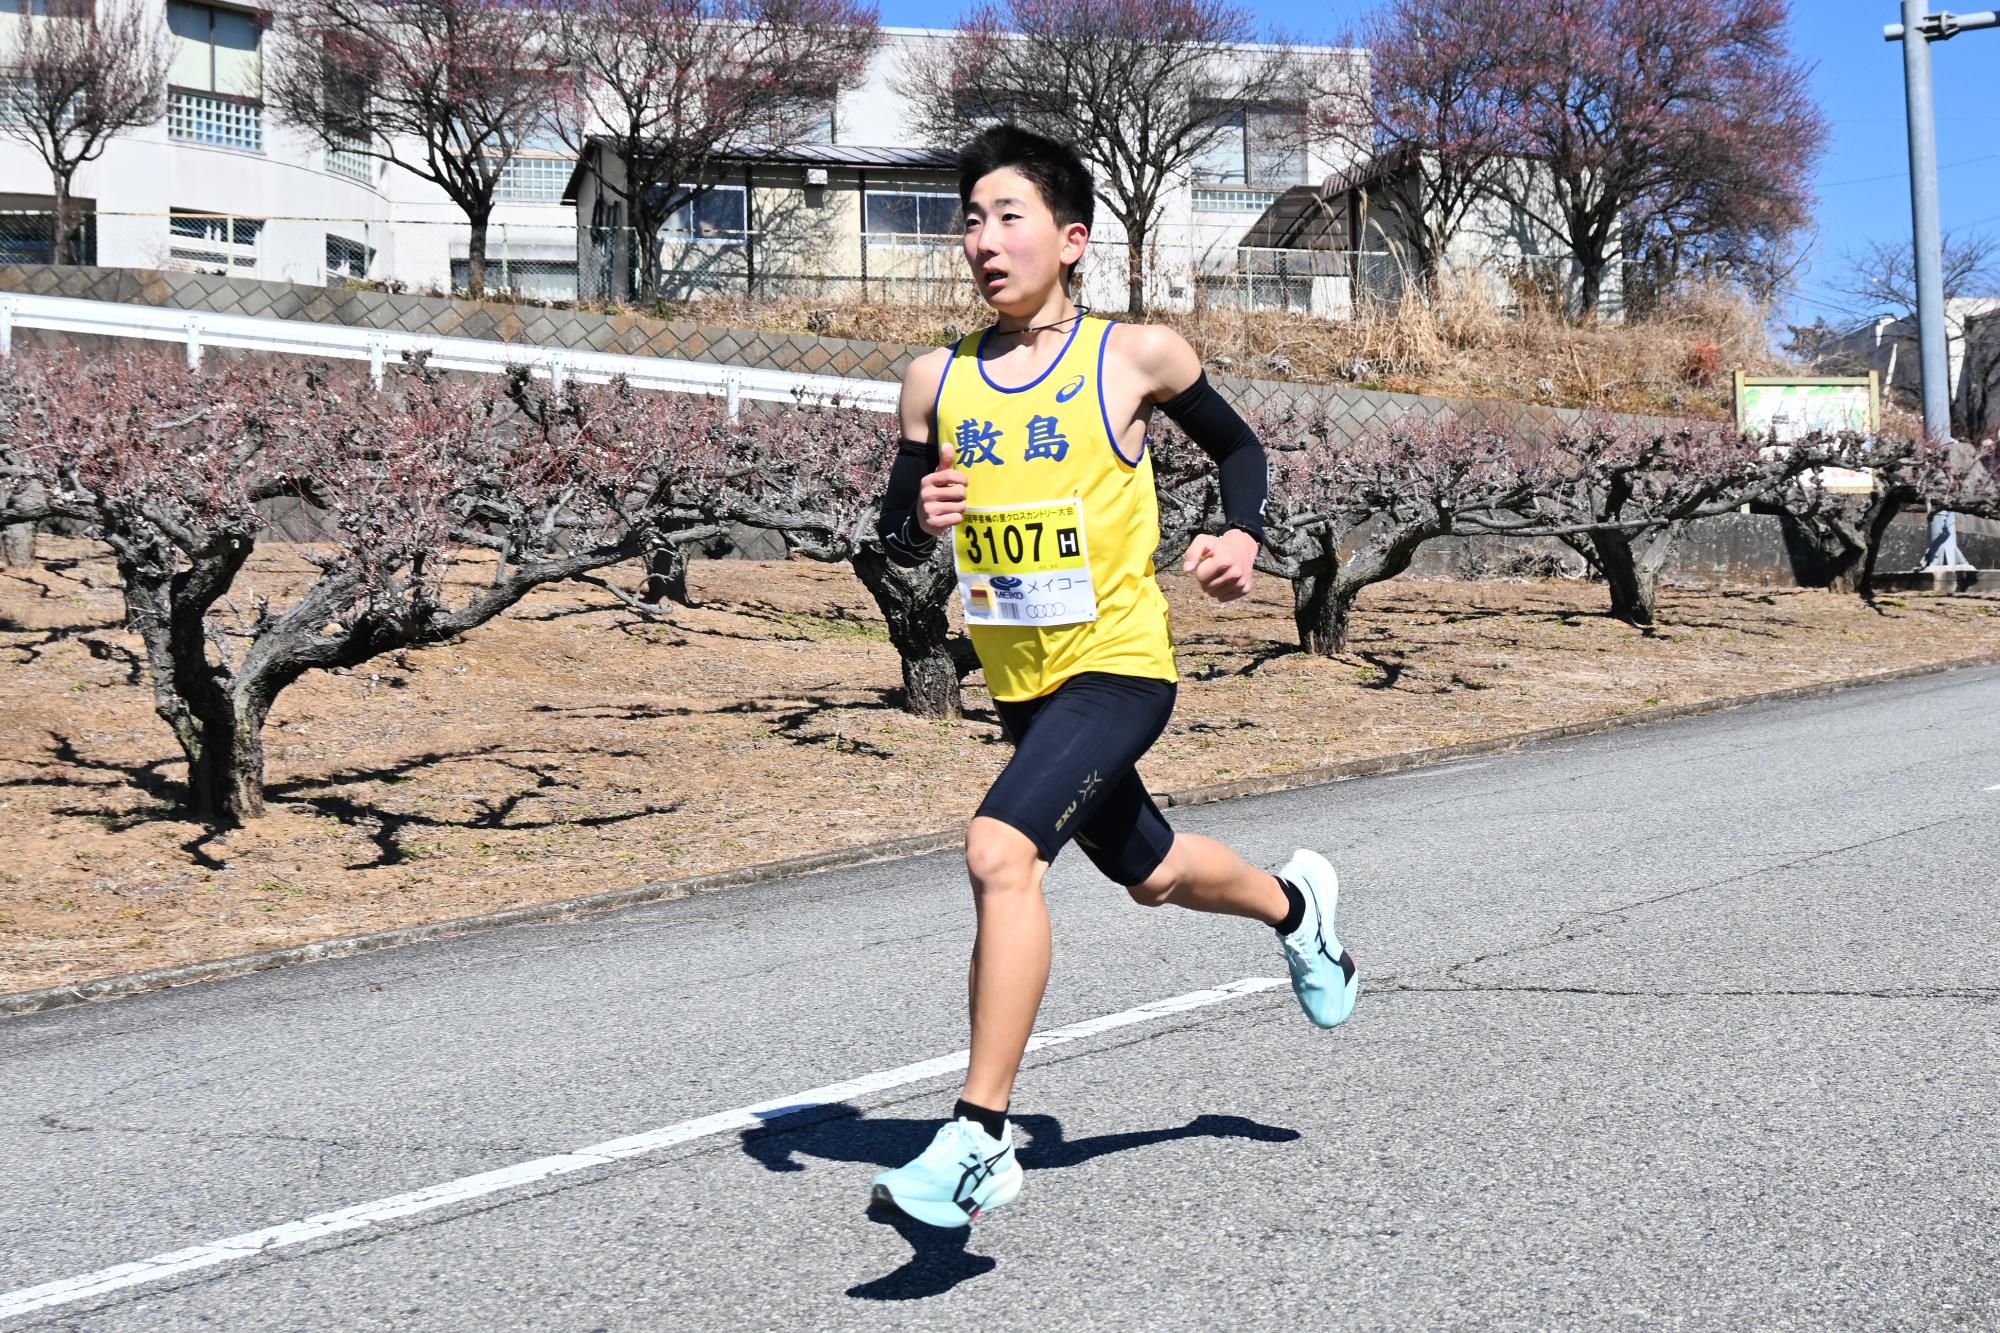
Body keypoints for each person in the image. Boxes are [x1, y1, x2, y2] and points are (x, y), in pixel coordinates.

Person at [867, 124, 1357, 1230]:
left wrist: (1239, 535)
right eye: (971, 221)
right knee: (1151, 873)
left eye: (1009, 217)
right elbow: (896, 527)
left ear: (1069, 238)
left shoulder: (1131, 357)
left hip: (1120, 669)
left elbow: (1239, 450)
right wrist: (918, 514)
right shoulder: (934, 381)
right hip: (1024, 686)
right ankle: (1296, 907)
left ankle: (978, 1137)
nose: (983, 241)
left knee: (998, 852)